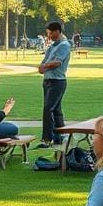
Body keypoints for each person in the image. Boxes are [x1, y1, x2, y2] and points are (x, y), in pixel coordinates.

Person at [36, 21, 71, 149]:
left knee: (48, 109)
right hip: (48, 80)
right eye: (48, 33)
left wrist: (44, 66)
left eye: (50, 33)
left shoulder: (64, 45)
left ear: (57, 31)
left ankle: (47, 139)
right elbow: (44, 61)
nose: (49, 36)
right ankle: (60, 137)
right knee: (56, 110)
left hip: (57, 81)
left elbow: (57, 62)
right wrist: (42, 66)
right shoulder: (52, 46)